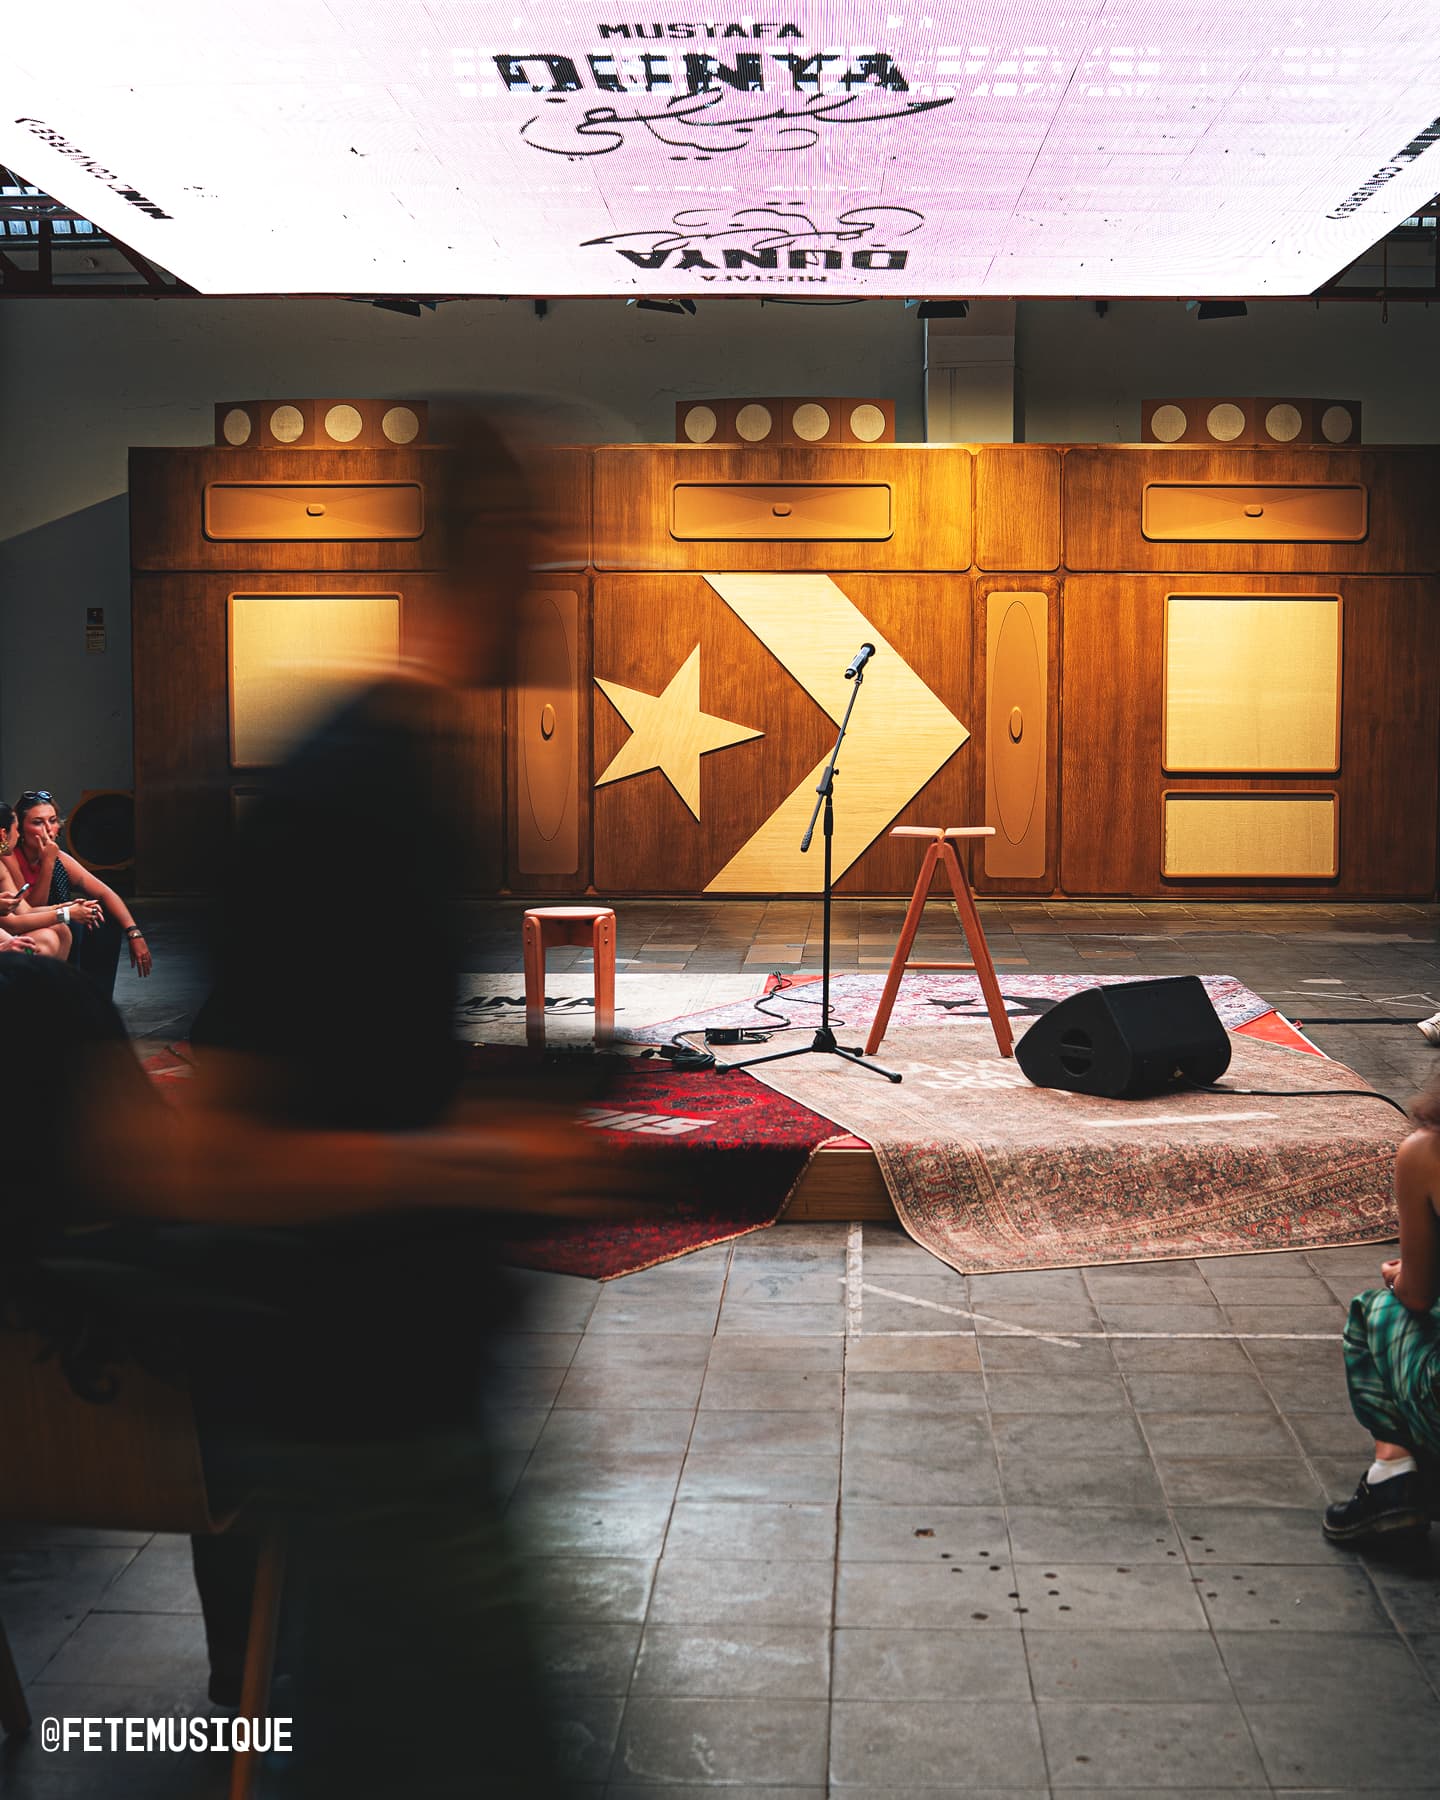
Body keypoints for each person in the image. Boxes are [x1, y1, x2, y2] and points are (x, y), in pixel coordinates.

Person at [1323, 1073, 1440, 1543]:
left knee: (1377, 1312)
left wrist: (1397, 1274)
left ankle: (1392, 1474)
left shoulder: (1427, 1151)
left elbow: (1416, 1295)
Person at [4, 791, 152, 993]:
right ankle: (71, 996)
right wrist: (48, 863)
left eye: (53, 821)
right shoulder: (10, 857)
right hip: (26, 923)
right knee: (73, 922)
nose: (48, 829)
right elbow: (31, 908)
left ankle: (97, 999)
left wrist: (134, 933)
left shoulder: (60, 857)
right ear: (20, 828)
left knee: (101, 914)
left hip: (47, 919)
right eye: (38, 822)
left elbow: (105, 892)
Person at [0, 801, 104, 958]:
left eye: (53, 820)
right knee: (33, 947)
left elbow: (25, 910)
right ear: (3, 834)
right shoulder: (9, 860)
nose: (19, 834)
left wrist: (65, 907)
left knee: (61, 931)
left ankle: (58, 981)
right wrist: (67, 913)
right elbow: (13, 924)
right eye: (16, 830)